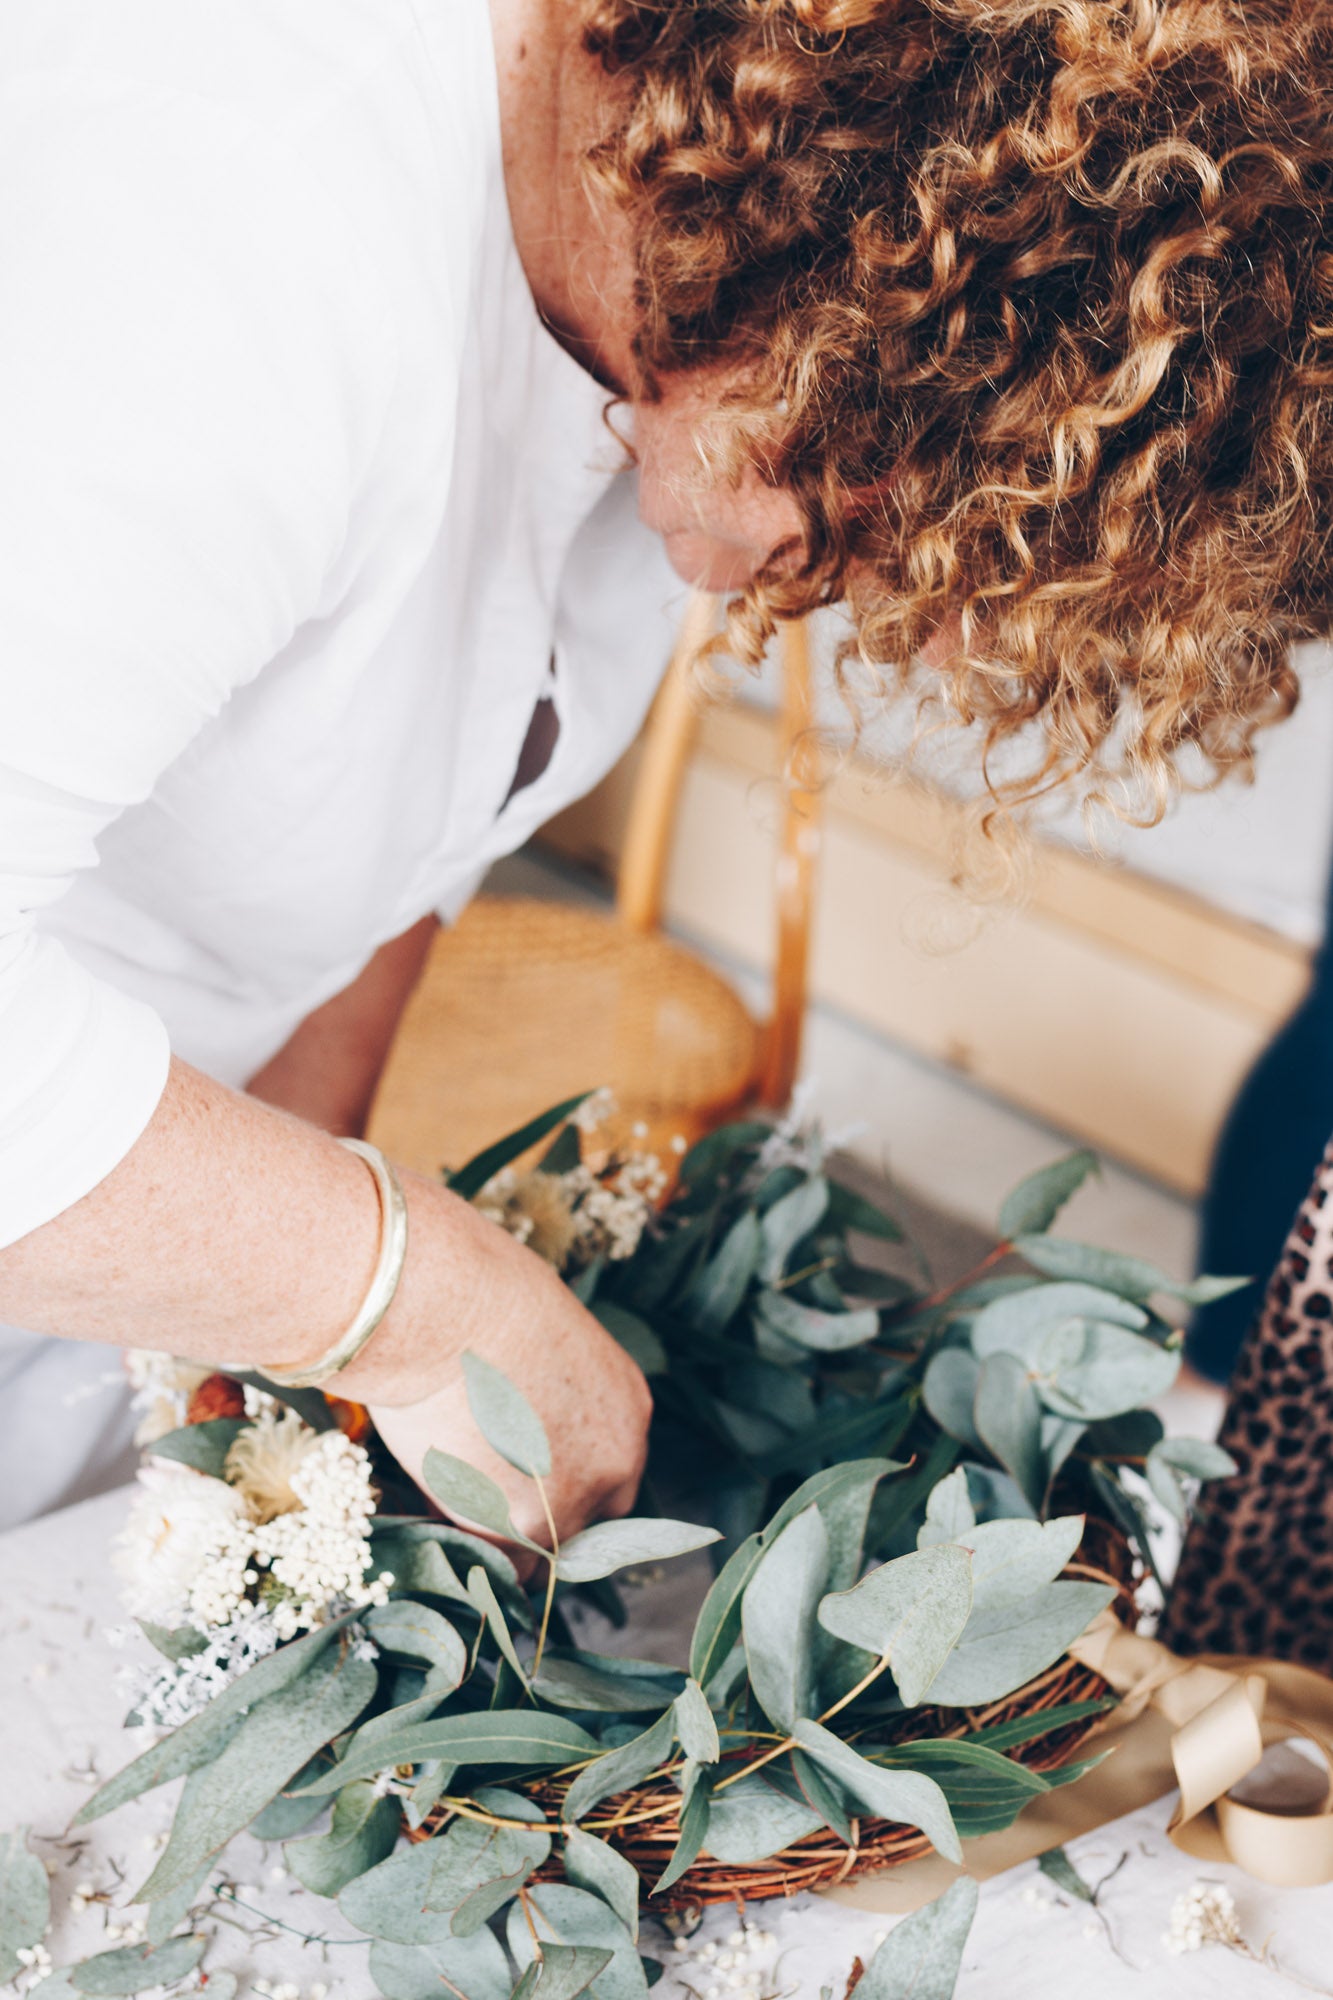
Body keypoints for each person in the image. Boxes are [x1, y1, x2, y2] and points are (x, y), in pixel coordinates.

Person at [2, 0, 1330, 1587]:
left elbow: (410, 811)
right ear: (831, 170)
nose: (852, 581)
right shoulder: (214, 218)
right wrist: (420, 1301)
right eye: (885, 487)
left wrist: (283, 1266)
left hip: (97, 1266)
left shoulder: (666, 305)